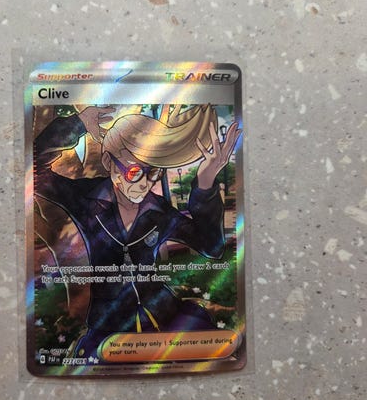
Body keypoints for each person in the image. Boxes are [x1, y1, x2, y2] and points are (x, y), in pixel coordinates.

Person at [35, 104, 241, 359]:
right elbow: (33, 168)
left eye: (152, 172)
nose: (144, 184)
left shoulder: (159, 211)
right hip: (110, 326)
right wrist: (76, 124)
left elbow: (212, 247)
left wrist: (206, 183)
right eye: (134, 172)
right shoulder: (85, 199)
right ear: (109, 162)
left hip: (167, 316)